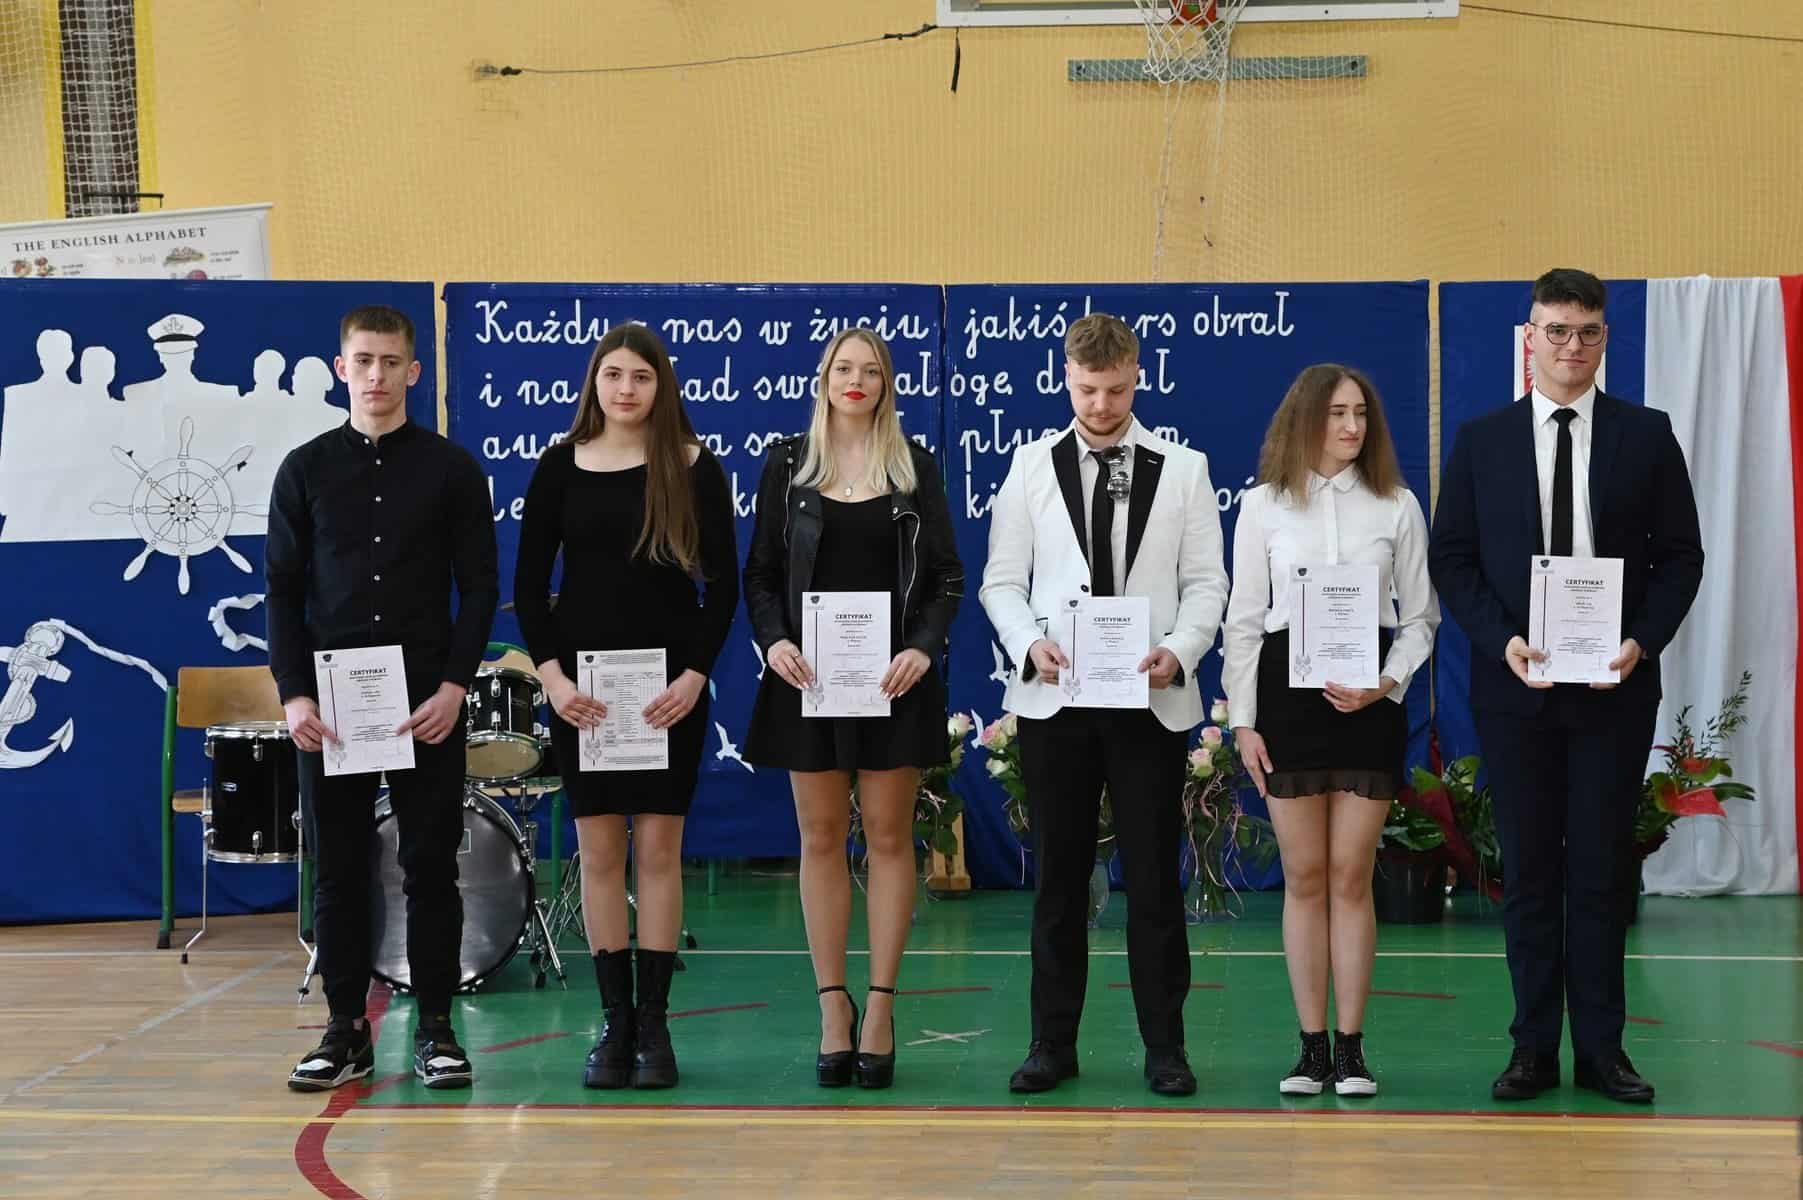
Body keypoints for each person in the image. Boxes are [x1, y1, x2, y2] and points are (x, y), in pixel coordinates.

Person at [1430, 268, 1703, 1104]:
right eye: (1555, 330)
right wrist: (1501, 641)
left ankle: (1602, 1052)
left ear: (1603, 339)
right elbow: (1452, 559)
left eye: (1585, 331)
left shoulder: (1645, 435)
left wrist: (1640, 641)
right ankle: (1530, 1050)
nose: (1570, 346)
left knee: (1598, 874)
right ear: (1530, 338)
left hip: (1613, 690)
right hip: (1515, 691)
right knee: (1527, 876)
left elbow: (1680, 557)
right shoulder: (1482, 440)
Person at [978, 313, 1228, 1097]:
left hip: (1149, 700)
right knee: (1057, 880)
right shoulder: (1028, 467)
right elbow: (999, 583)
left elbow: (1207, 585)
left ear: (1137, 376)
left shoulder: (1184, 469)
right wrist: (1029, 643)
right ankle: (1050, 1044)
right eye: (1087, 389)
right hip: (1056, 701)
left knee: (1153, 881)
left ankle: (1166, 1048)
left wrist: (1179, 649)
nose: (1100, 404)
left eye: (1115, 390)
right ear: (1065, 378)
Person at [267, 305, 498, 1092]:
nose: (376, 375)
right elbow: (282, 590)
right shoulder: (303, 469)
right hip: (332, 708)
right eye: (363, 361)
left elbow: (480, 587)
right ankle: (344, 1031)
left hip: (424, 702)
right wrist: (295, 694)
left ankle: (436, 1028)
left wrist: (455, 686)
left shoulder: (451, 469)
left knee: (430, 865)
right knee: (337, 870)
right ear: (342, 369)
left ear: (413, 371)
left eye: (390, 362)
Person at [513, 322, 739, 1090]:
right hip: (585, 700)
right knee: (601, 855)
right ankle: (613, 1025)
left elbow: (723, 588)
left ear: (660, 386)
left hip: (668, 697)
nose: (626, 389)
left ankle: (655, 1025)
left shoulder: (695, 466)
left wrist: (695, 676)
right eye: (613, 374)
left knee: (660, 854)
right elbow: (528, 589)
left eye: (641, 376)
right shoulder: (558, 466)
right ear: (595, 382)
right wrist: (553, 681)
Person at [742, 326, 963, 1090]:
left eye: (870, 369)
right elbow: (759, 574)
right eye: (844, 368)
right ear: (825, 378)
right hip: (809, 680)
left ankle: (880, 1009)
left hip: (892, 682)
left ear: (886, 383)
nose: (856, 380)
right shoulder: (786, 465)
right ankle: (832, 1005)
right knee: (820, 837)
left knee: (890, 838)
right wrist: (773, 641)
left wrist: (922, 649)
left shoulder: (913, 467)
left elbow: (946, 576)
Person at [1221, 364, 1439, 1097]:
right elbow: (1244, 621)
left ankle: (1351, 1049)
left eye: (1360, 414)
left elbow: (1420, 619)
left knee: (1350, 875)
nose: (1351, 426)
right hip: (1288, 704)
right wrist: (1244, 722)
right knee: (1305, 877)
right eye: (1337, 413)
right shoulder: (1262, 505)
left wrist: (1386, 682)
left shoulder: (1398, 505)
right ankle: (1309, 1048)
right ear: (1305, 419)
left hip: (1367, 704)